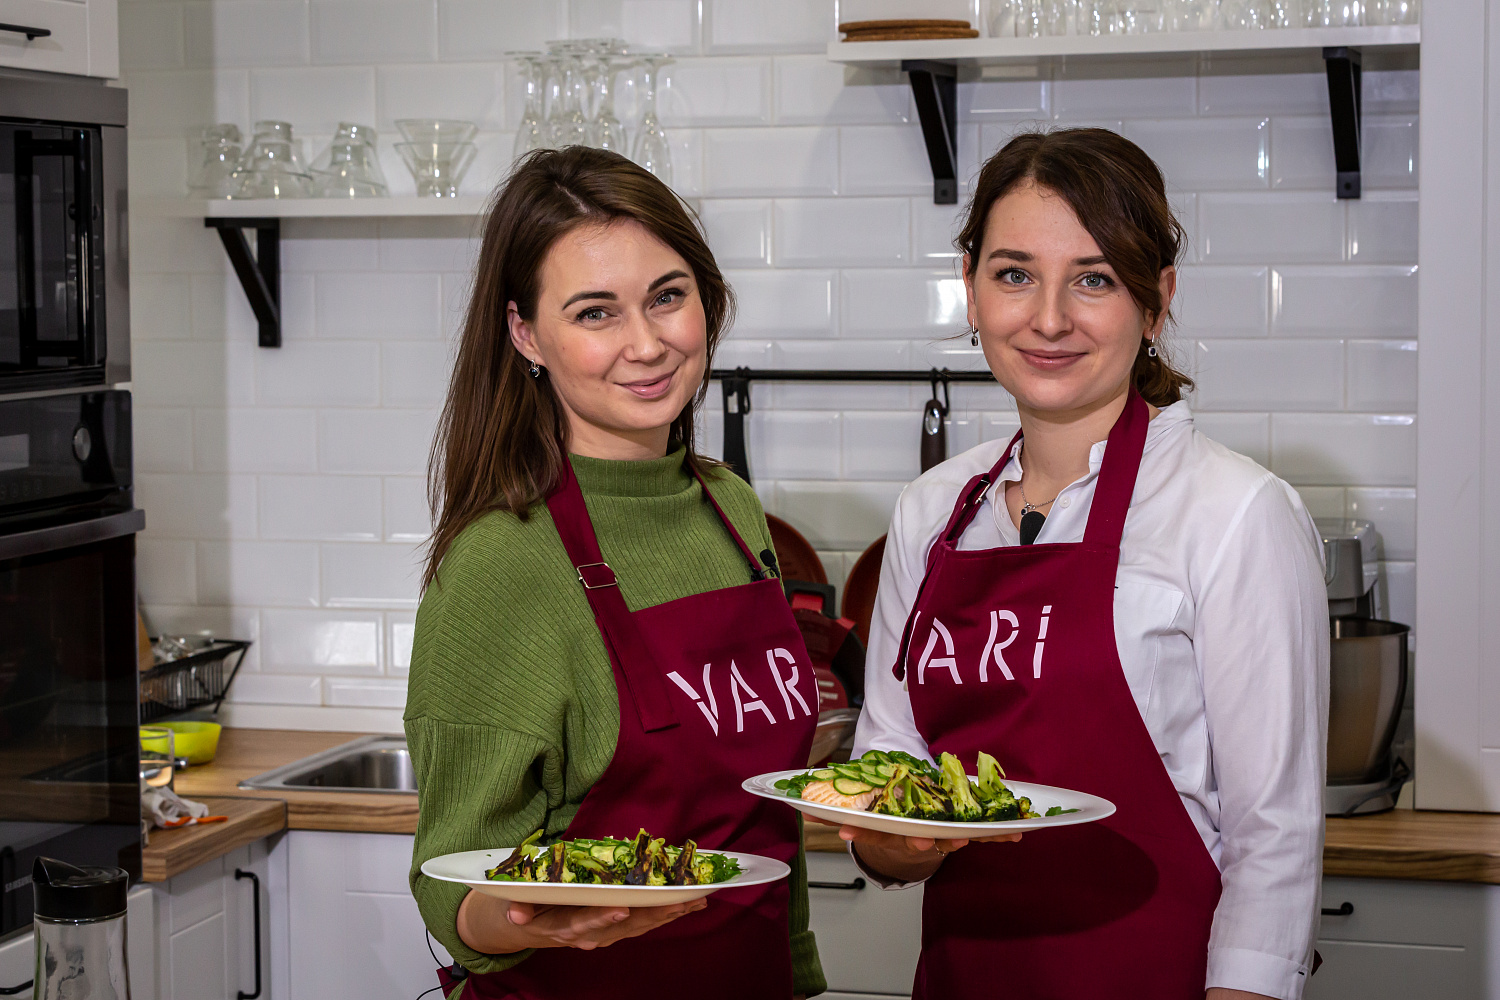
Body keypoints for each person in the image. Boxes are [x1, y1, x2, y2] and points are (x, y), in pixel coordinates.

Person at [847, 129, 1328, 1000]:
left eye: (1094, 279)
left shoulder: (1235, 513)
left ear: (1157, 300)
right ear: (970, 288)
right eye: (1014, 273)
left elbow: (1276, 838)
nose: (1050, 318)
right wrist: (892, 840)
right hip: (965, 976)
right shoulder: (931, 514)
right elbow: (886, 779)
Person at [405, 146, 825, 1000]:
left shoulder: (731, 511)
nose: (647, 344)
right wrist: (541, 916)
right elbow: (447, 876)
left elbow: (764, 827)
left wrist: (799, 972)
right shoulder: (501, 561)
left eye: (667, 297)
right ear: (526, 334)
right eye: (596, 313)